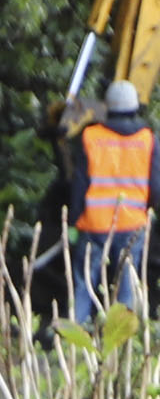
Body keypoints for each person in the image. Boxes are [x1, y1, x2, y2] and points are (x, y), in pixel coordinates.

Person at [69, 82, 152, 323]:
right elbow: (155, 185)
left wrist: (74, 221)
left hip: (94, 225)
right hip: (132, 226)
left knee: (84, 281)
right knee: (127, 284)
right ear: (135, 107)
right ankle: (122, 343)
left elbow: (79, 184)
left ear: (107, 107)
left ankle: (74, 337)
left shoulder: (90, 136)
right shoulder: (147, 139)